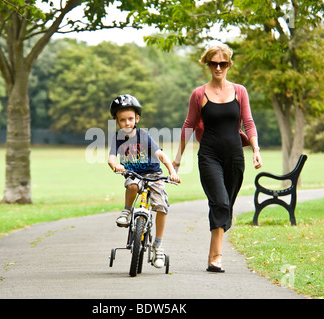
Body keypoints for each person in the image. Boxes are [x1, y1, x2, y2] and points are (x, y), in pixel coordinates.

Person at [172, 42, 262, 273]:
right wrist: (178, 159)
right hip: (209, 155)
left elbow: (249, 123)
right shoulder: (199, 94)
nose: (218, 68)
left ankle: (213, 252)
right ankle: (216, 257)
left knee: (226, 207)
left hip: (234, 157)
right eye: (214, 63)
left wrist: (256, 150)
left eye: (223, 63)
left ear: (229, 64)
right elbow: (189, 125)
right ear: (208, 64)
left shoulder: (240, 91)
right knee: (220, 202)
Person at [108, 94, 180, 268]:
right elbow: (111, 158)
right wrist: (115, 165)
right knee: (132, 185)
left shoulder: (144, 135)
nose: (127, 123)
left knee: (161, 206)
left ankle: (158, 244)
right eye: (122, 120)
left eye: (130, 119)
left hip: (153, 174)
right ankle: (126, 211)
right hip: (133, 173)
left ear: (137, 118)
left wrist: (172, 172)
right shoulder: (118, 138)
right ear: (117, 121)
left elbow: (161, 155)